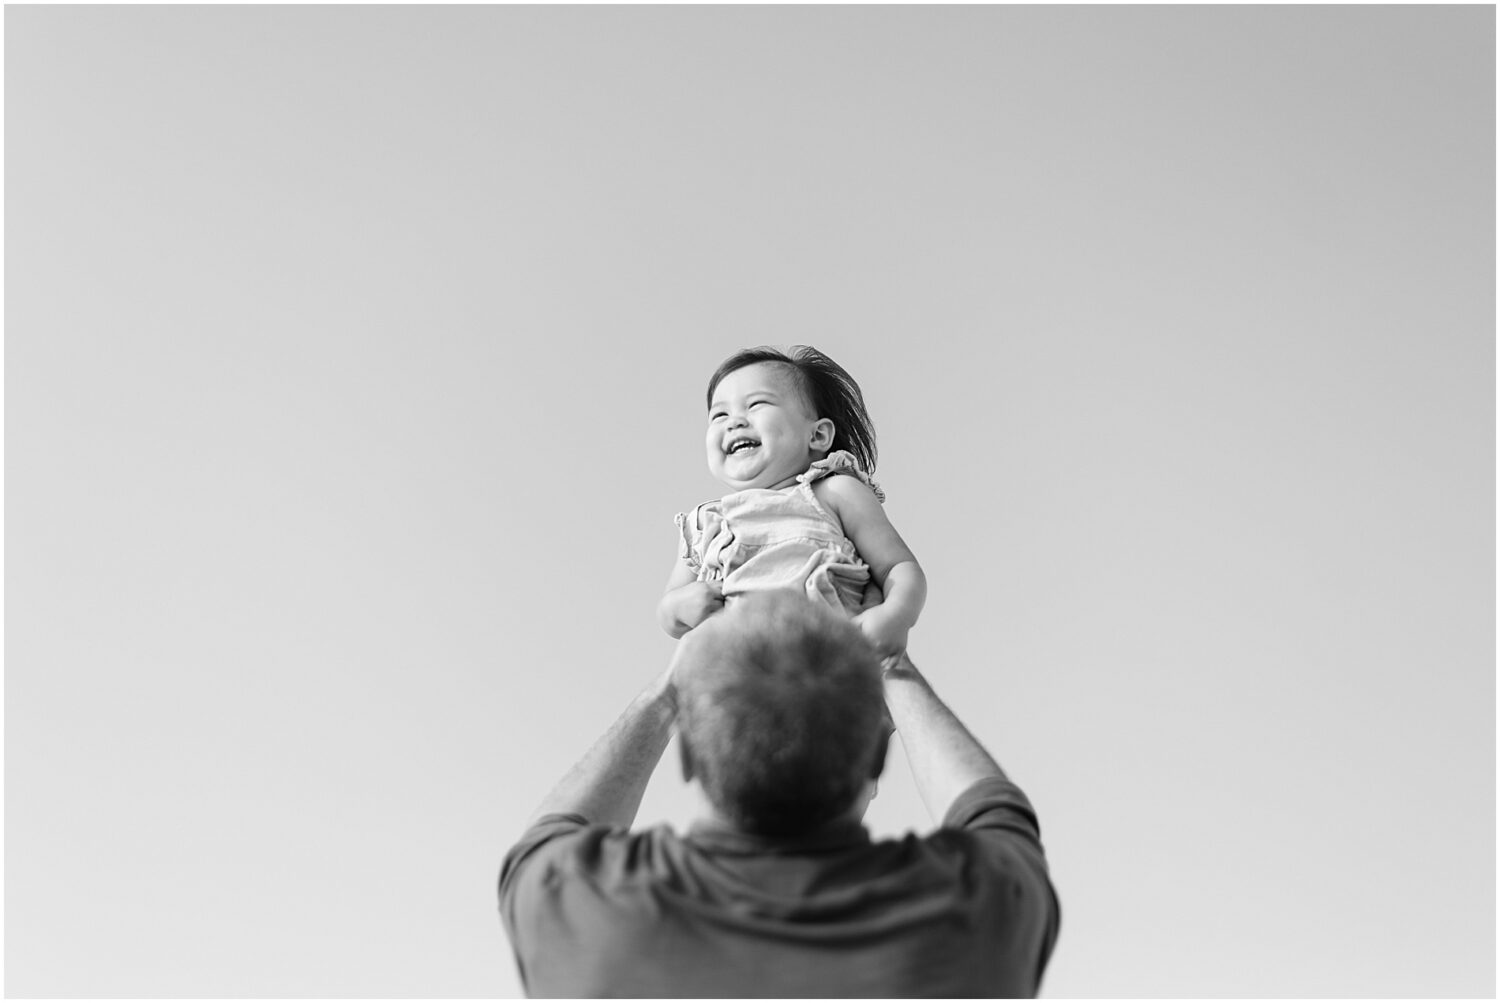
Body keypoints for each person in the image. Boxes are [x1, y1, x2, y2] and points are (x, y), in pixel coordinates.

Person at [499, 592, 1061, 997]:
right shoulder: (979, 910)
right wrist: (890, 665)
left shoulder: (578, 908)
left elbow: (551, 833)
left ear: (689, 756)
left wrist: (668, 697)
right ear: (877, 758)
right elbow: (994, 812)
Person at [659, 346, 927, 658]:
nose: (733, 422)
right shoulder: (704, 522)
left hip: (824, 661)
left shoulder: (832, 492)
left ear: (818, 436)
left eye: (756, 404)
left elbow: (897, 565)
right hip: (729, 673)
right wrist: (678, 607)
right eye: (720, 415)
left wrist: (896, 615)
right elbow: (668, 608)